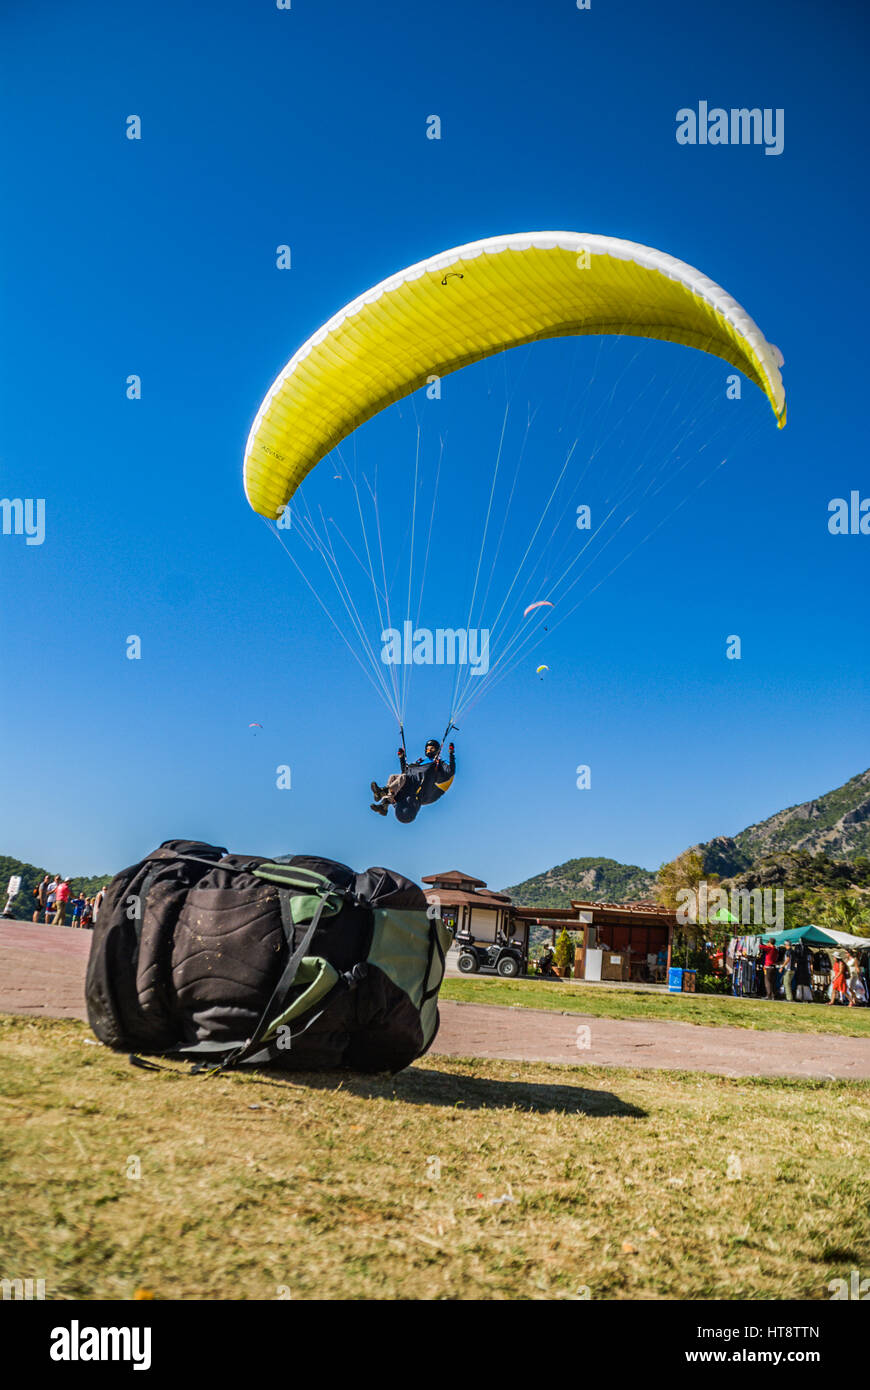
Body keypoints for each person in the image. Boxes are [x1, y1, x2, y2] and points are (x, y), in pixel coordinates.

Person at [370, 738, 456, 823]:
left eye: (432, 748)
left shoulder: (438, 763)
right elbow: (407, 771)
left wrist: (451, 754)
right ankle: (384, 804)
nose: (429, 750)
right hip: (408, 785)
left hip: (417, 786)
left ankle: (383, 792)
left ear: (437, 750)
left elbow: (450, 771)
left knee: (403, 777)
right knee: (393, 777)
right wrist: (401, 758)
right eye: (427, 748)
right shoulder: (420, 761)